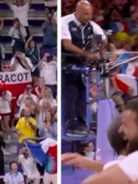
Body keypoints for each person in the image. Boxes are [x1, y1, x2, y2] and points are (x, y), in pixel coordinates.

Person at [60, 0, 105, 135]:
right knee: (71, 94)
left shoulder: (92, 25)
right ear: (77, 12)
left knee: (82, 95)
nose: (89, 17)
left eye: (90, 14)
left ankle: (82, 123)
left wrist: (101, 49)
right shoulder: (65, 22)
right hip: (68, 63)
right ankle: (71, 125)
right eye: (86, 14)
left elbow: (104, 41)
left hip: (83, 65)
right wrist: (86, 54)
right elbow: (67, 45)